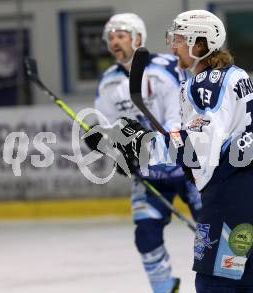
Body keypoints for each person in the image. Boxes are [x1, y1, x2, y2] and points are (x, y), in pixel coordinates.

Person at [113, 10, 253, 293]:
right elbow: (207, 137)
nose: (172, 45)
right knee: (242, 278)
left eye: (178, 39)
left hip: (233, 189)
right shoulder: (234, 74)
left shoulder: (204, 85)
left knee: (215, 281)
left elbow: (199, 149)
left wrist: (147, 146)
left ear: (199, 44)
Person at [84, 13, 202, 293]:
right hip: (149, 174)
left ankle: (228, 280)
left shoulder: (164, 69)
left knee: (212, 227)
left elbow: (178, 120)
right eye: (110, 37)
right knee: (146, 235)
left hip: (188, 166)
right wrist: (109, 147)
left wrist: (147, 149)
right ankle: (164, 287)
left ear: (138, 38)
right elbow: (110, 128)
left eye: (121, 35)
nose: (114, 41)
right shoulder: (109, 82)